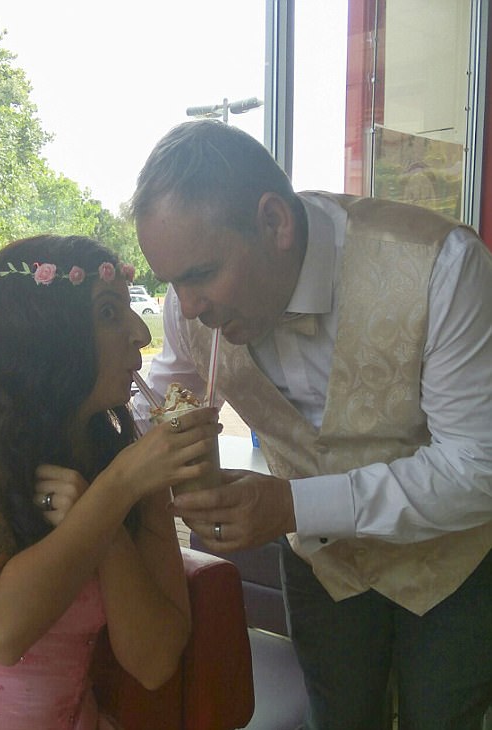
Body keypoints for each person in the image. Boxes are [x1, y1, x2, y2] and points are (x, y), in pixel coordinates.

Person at [131, 120, 492, 730]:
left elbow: (478, 465)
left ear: (276, 223)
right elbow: (164, 401)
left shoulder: (442, 267)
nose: (186, 306)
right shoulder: (189, 309)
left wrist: (293, 505)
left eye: (199, 275)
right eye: (172, 282)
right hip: (323, 570)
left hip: (451, 566)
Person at [0, 234, 220, 729]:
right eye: (109, 313)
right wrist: (114, 490)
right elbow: (0, 631)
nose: (140, 332)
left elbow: (154, 663)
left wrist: (106, 521)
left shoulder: (129, 465)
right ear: (44, 335)